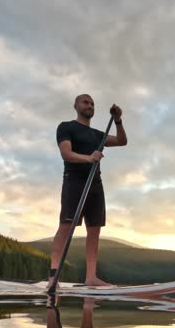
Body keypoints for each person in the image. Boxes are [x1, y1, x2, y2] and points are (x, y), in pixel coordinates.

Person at [49, 94, 127, 290]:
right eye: (85, 102)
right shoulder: (66, 127)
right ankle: (53, 276)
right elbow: (65, 154)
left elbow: (121, 140)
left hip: (95, 184)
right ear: (75, 105)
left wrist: (118, 120)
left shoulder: (97, 134)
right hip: (74, 181)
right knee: (66, 226)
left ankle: (91, 277)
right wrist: (89, 158)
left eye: (92, 103)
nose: (89, 105)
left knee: (94, 230)